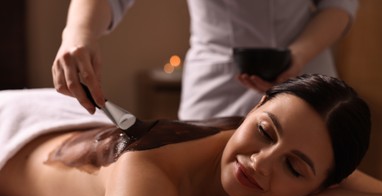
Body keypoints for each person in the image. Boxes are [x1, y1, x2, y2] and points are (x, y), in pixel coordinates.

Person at [0, 74, 382, 196]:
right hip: (15, 131)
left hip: (83, 127)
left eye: (294, 167)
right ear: (253, 110)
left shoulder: (312, 165)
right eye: (265, 131)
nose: (259, 161)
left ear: (323, 185)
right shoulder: (149, 167)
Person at [52, 0, 359, 120]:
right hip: (216, 85)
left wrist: (297, 56)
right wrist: (78, 32)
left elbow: (339, 5)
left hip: (306, 74)